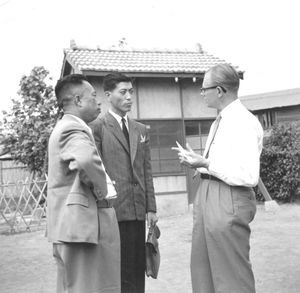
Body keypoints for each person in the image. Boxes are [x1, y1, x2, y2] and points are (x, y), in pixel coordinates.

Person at [173, 64, 263, 293]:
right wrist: (200, 165)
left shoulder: (244, 122)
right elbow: (220, 163)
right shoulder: (220, 121)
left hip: (229, 198)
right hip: (208, 195)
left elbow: (248, 174)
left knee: (231, 274)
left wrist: (206, 164)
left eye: (205, 88)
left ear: (220, 90)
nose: (202, 93)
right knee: (203, 270)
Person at [47, 74, 120, 293]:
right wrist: (104, 192)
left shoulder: (63, 127)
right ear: (78, 100)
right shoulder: (73, 128)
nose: (98, 102)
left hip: (69, 228)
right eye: (94, 96)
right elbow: (85, 160)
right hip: (82, 228)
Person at [90, 72, 158, 293]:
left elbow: (146, 171)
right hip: (113, 212)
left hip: (138, 210)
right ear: (108, 95)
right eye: (123, 92)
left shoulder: (140, 129)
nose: (129, 96)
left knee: (138, 270)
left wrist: (151, 208)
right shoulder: (97, 127)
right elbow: (96, 172)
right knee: (117, 272)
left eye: (131, 91)